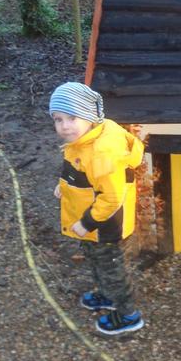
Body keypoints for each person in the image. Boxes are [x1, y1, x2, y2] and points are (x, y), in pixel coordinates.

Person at [49, 82, 145, 335]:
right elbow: (79, 170)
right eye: (58, 119)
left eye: (72, 117)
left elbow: (111, 198)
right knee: (95, 259)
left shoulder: (102, 152)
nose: (64, 126)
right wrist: (65, 186)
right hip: (92, 220)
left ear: (89, 115)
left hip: (105, 225)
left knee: (112, 268)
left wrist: (86, 223)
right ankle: (106, 295)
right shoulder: (84, 138)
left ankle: (128, 314)